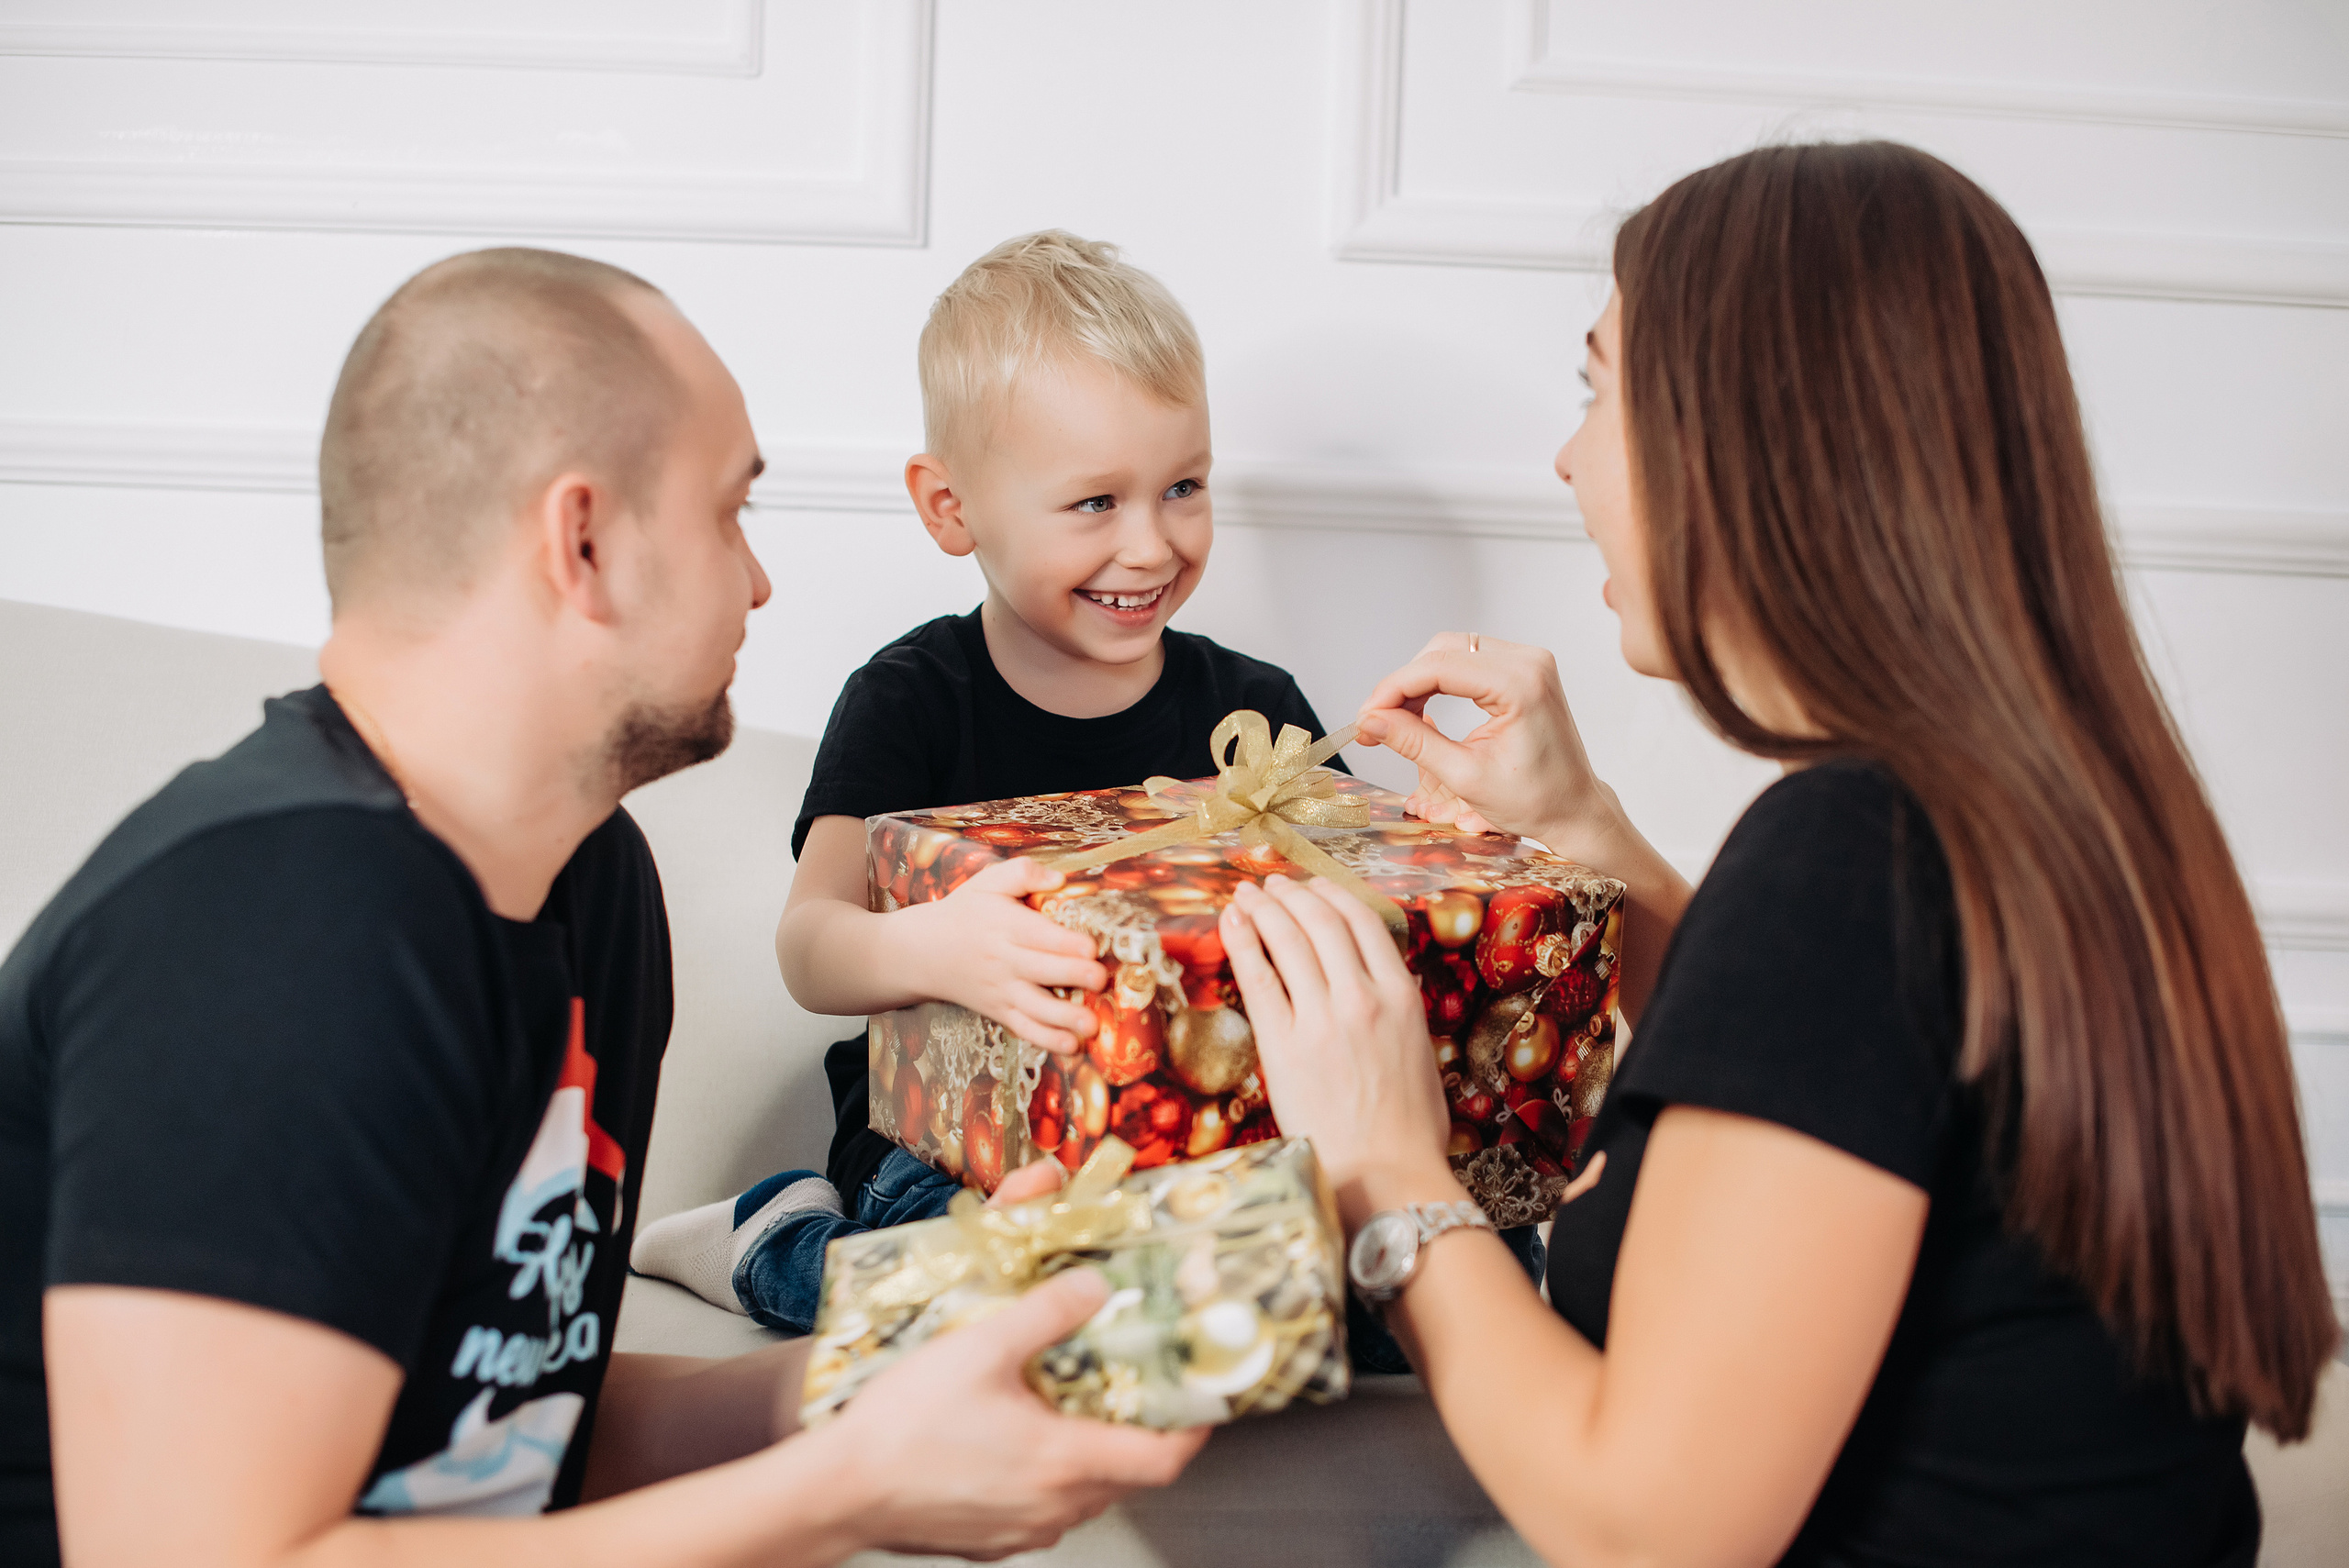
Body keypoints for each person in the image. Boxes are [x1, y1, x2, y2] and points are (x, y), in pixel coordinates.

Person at [1215, 142, 2338, 1567]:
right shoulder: (2058, 805)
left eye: (1598, 384)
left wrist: (1384, 1166)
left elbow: (1646, 1523)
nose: (1567, 455)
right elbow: (1854, 1073)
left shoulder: (1855, 858)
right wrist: (1585, 834)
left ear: (1747, 436)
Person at [0, 247, 1202, 1568]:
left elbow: (521, 1434)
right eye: (729, 513)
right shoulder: (273, 926)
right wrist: (844, 1493)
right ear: (582, 543)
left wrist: (889, 1358)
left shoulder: (591, 885)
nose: (758, 584)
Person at [627, 229, 1546, 1351]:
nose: (1151, 543)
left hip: (1216, 1153)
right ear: (950, 507)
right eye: (1094, 504)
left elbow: (1361, 911)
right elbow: (809, 944)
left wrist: (1434, 852)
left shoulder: (1251, 704)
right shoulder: (912, 697)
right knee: (1027, 1300)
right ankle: (775, 1241)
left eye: (1183, 487)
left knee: (1482, 1259)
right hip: (948, 1156)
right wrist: (937, 946)